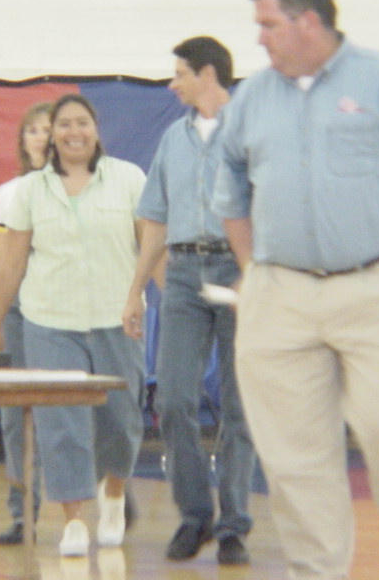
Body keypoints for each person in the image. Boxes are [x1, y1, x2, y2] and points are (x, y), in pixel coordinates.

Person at [212, 0, 379, 580]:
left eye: (268, 24)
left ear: (308, 21)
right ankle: (317, 571)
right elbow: (231, 195)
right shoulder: (252, 97)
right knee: (293, 455)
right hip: (280, 294)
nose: (258, 39)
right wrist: (252, 270)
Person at [0, 93, 146, 558]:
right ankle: (73, 518)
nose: (74, 132)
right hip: (50, 320)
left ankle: (113, 493)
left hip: (117, 317)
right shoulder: (30, 190)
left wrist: (153, 297)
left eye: (82, 123)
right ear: (52, 135)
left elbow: (151, 245)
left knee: (121, 419)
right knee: (61, 423)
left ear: (96, 129)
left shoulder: (129, 178)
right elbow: (11, 263)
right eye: (64, 125)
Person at [121, 36, 256, 565]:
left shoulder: (251, 132)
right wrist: (137, 290)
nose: (172, 83)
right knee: (172, 399)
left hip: (238, 268)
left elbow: (273, 206)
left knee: (240, 404)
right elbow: (154, 217)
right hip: (182, 273)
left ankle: (234, 524)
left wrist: (256, 273)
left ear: (207, 74)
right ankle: (195, 514)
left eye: (180, 73)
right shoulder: (172, 140)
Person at [0, 100, 52, 546]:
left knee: (78, 412)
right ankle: (23, 511)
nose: (41, 136)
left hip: (66, 311)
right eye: (33, 129)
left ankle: (110, 490)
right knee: (15, 414)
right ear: (23, 140)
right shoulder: (8, 193)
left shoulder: (79, 188)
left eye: (48, 128)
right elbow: (1, 263)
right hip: (20, 311)